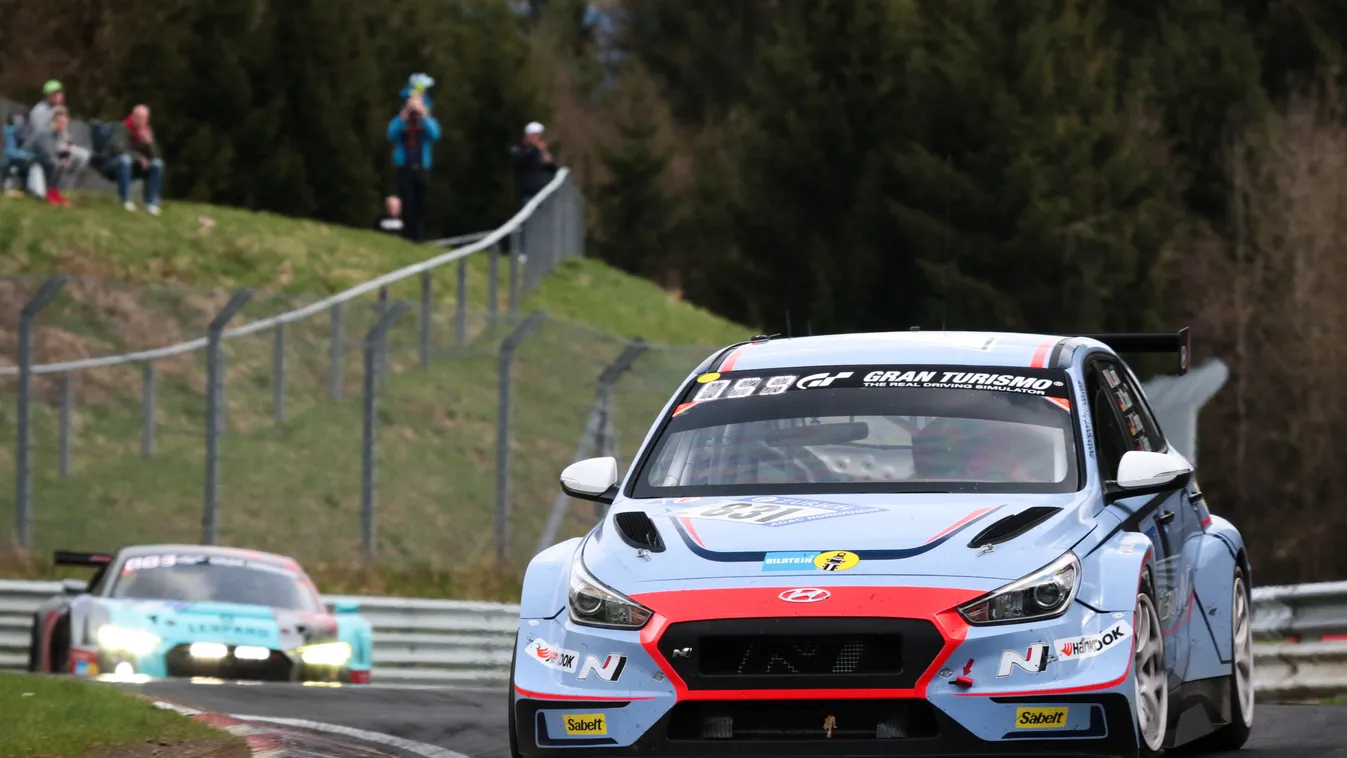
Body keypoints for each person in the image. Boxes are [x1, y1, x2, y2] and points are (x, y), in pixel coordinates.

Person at [387, 84, 441, 243]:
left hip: (422, 166)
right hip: (404, 166)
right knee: (406, 201)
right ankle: (407, 235)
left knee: (421, 202)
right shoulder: (402, 121)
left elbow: (435, 134)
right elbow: (391, 135)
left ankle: (420, 237)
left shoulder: (426, 121)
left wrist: (423, 114)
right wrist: (403, 116)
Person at [101, 104, 164, 215]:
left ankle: (151, 203)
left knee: (157, 164)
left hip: (137, 167)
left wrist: (149, 143)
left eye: (144, 118)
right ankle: (125, 200)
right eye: (138, 117)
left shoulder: (147, 131)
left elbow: (156, 156)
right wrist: (138, 157)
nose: (141, 120)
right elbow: (118, 148)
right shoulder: (123, 128)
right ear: (133, 116)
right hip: (116, 164)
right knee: (125, 160)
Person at [26, 80, 90, 188]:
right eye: (55, 93)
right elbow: (42, 135)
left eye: (60, 93)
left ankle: (63, 185)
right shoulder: (39, 110)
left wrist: (66, 138)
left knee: (83, 155)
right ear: (48, 95)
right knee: (75, 155)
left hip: (56, 143)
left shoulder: (58, 110)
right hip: (42, 145)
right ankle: (57, 185)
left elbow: (63, 132)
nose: (58, 95)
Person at [20, 105, 73, 206]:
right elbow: (48, 153)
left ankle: (54, 192)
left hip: (40, 158)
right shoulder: (45, 132)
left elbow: (56, 152)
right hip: (28, 160)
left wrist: (64, 159)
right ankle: (50, 193)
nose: (65, 126)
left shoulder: (57, 133)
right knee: (54, 164)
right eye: (63, 123)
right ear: (56, 121)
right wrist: (60, 160)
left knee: (60, 164)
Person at [511, 121, 558, 210]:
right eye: (534, 135)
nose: (537, 138)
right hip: (526, 194)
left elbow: (552, 170)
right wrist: (535, 149)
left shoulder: (541, 151)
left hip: (542, 193)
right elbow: (521, 160)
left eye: (538, 135)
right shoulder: (518, 149)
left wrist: (550, 163)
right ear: (527, 135)